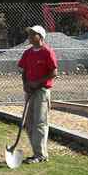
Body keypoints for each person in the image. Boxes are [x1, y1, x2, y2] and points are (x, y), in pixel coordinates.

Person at [17, 25, 58, 164]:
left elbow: (53, 73)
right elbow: (23, 71)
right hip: (29, 91)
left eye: (32, 34)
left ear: (40, 37)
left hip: (41, 91)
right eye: (29, 34)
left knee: (40, 123)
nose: (29, 36)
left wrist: (37, 83)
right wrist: (25, 85)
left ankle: (41, 155)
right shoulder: (28, 53)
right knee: (29, 123)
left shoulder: (47, 52)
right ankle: (36, 153)